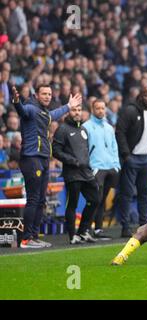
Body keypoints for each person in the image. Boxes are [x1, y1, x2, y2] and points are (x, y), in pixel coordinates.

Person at [11, 85, 81, 249]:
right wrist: (16, 102)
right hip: (31, 158)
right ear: (36, 95)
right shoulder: (31, 108)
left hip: (42, 159)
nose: (48, 96)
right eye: (44, 93)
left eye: (49, 94)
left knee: (41, 200)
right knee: (34, 199)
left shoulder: (44, 113)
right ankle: (26, 239)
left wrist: (68, 107)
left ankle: (34, 236)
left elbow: (53, 115)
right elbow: (22, 110)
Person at [115, 86, 147, 237]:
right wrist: (126, 154)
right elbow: (120, 131)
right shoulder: (130, 110)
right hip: (132, 158)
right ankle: (125, 227)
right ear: (140, 96)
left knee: (145, 193)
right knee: (126, 194)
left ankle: (144, 225)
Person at [52, 104, 100, 245]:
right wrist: (72, 161)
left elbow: (85, 150)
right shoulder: (62, 129)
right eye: (74, 110)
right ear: (68, 112)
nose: (77, 112)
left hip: (86, 172)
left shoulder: (83, 128)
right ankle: (73, 236)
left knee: (95, 200)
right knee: (72, 204)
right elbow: (55, 151)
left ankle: (83, 232)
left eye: (79, 110)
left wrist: (88, 165)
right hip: (72, 173)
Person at [83, 99, 121, 240]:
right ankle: (86, 229)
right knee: (95, 199)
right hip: (96, 168)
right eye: (98, 108)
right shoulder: (86, 127)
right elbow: (84, 149)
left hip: (110, 168)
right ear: (93, 109)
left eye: (102, 108)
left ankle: (98, 229)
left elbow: (114, 147)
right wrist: (91, 167)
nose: (100, 111)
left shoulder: (109, 127)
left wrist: (116, 165)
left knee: (102, 199)